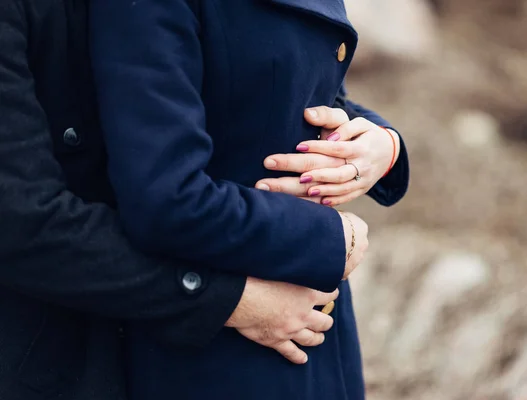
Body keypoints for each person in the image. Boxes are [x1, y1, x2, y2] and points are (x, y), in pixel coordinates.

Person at [0, 1, 372, 399]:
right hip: (62, 342)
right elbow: (23, 222)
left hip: (277, 299)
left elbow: (272, 78)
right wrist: (229, 297)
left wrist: (376, 142)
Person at [90, 0, 409, 399]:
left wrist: (380, 143)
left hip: (312, 310)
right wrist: (325, 239)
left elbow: (301, 87)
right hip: (216, 337)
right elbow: (167, 198)